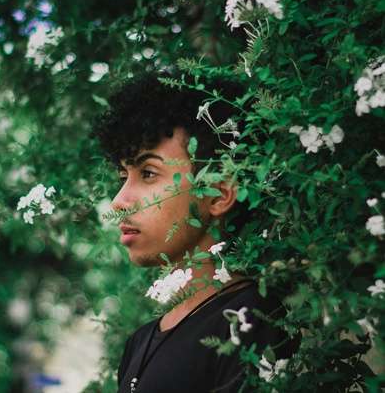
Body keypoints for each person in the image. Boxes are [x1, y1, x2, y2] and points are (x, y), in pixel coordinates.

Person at [93, 72, 298, 393]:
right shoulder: (139, 342)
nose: (119, 201)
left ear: (218, 195)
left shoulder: (250, 320)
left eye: (148, 173)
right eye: (123, 176)